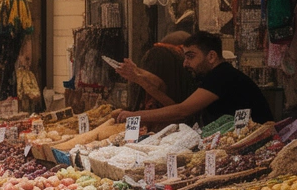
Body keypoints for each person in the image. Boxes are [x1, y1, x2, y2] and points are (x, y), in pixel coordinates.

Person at [115, 31, 273, 127]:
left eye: (191, 57)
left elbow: (182, 111)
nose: (185, 64)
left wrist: (135, 116)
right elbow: (180, 109)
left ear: (211, 56)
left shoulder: (222, 76)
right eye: (185, 57)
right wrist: (138, 77)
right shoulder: (210, 77)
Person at [115, 30, 198, 114]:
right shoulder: (157, 61)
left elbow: (176, 111)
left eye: (190, 57)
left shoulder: (169, 66)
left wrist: (139, 78)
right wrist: (136, 71)